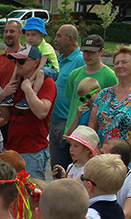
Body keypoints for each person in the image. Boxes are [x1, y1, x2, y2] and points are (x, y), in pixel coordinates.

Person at [89, 45, 131, 174]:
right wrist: (97, 152)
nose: (119, 66)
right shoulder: (104, 94)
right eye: (117, 63)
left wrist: (118, 158)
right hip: (101, 158)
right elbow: (92, 126)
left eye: (124, 62)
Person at [0, 44, 57, 179]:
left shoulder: (47, 82)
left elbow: (42, 112)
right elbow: (6, 117)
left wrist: (28, 90)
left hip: (32, 151)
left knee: (31, 189)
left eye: (21, 61)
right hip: (11, 147)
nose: (17, 65)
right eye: (15, 60)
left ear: (35, 63)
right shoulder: (16, 82)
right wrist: (2, 96)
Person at [64, 35, 118, 136]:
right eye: (85, 51)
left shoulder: (110, 76)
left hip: (93, 133)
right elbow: (70, 102)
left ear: (101, 52)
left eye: (92, 52)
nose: (87, 55)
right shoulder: (74, 74)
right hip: (72, 131)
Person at [0, 18, 58, 110]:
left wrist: (29, 81)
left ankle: (33, 94)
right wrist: (12, 80)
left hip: (51, 69)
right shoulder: (29, 46)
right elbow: (20, 64)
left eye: (33, 34)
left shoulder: (45, 47)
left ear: (42, 35)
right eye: (27, 35)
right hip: (39, 68)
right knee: (18, 68)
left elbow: (41, 65)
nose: (30, 38)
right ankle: (11, 95)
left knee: (40, 73)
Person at [49, 24, 84, 170]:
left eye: (59, 36)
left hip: (67, 123)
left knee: (66, 167)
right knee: (55, 166)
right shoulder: (59, 60)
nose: (55, 39)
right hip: (54, 121)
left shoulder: (80, 61)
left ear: (70, 39)